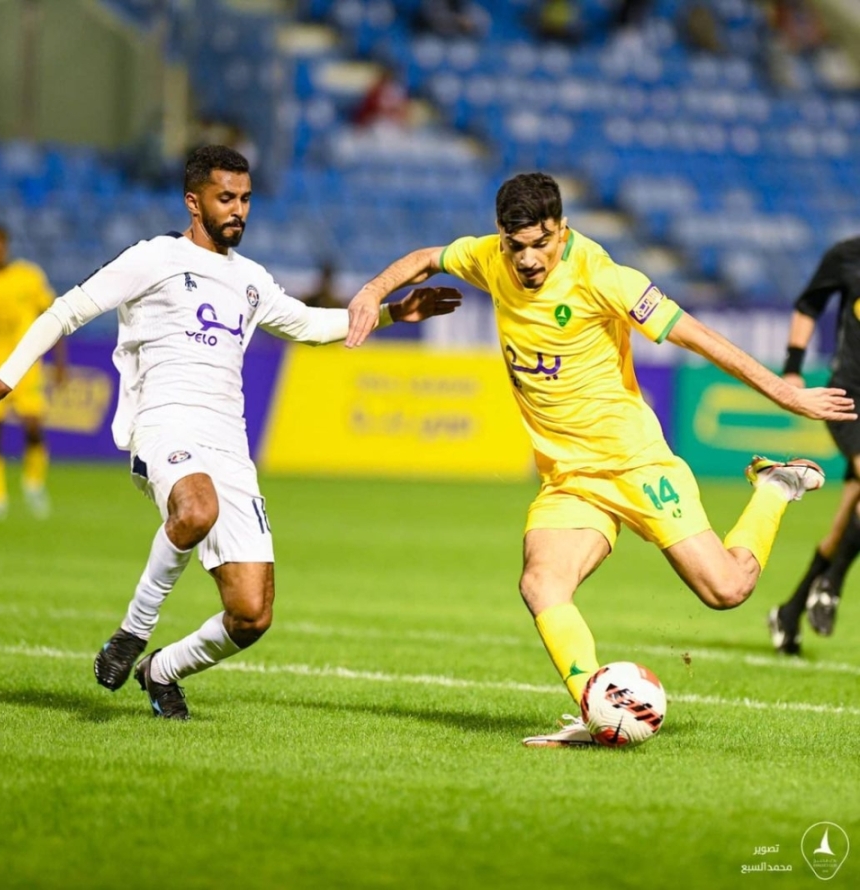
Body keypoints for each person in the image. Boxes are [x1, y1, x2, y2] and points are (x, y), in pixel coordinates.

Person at [344, 172, 855, 747]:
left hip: (635, 464)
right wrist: (371, 293)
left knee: (727, 590)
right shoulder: (489, 258)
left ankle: (773, 488)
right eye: (516, 246)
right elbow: (426, 258)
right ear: (501, 236)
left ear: (561, 230)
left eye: (541, 243)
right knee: (541, 583)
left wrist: (787, 394)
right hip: (570, 479)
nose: (528, 259)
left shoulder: (604, 277)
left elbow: (699, 338)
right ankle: (597, 710)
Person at [0, 145, 461, 721]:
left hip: (229, 445)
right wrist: (8, 375)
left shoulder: (250, 279)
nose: (239, 210)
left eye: (245, 198)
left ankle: (161, 670)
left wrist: (395, 312)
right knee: (196, 509)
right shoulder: (154, 257)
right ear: (193, 201)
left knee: (252, 614)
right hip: (164, 424)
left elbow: (308, 325)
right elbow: (66, 311)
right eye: (226, 198)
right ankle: (132, 632)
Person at [768, 236, 860, 655]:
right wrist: (792, 367)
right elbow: (809, 305)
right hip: (849, 397)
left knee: (846, 522)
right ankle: (831, 585)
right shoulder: (848, 255)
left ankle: (790, 611)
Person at [0, 223, 66, 519]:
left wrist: (60, 362)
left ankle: (33, 485)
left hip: (25, 367)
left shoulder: (28, 277)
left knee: (33, 428)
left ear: (5, 246)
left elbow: (54, 317)